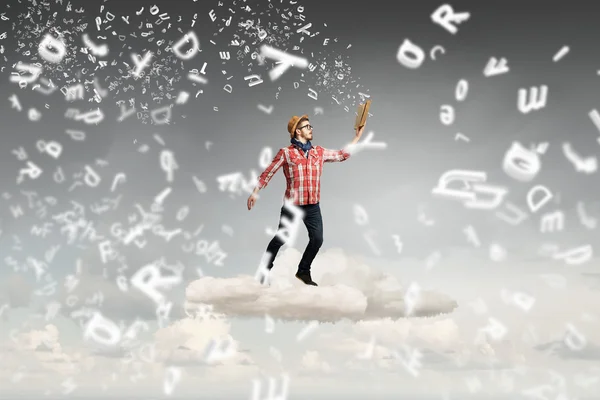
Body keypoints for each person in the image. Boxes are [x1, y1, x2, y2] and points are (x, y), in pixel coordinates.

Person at [247, 114, 365, 286]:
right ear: (297, 131)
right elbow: (269, 172)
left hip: (313, 206)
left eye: (311, 126)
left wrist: (357, 137)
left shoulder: (319, 152)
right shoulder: (286, 153)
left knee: (317, 239)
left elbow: (341, 155)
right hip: (292, 206)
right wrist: (255, 191)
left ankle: (303, 271)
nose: (311, 129)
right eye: (307, 126)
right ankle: (264, 270)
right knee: (281, 239)